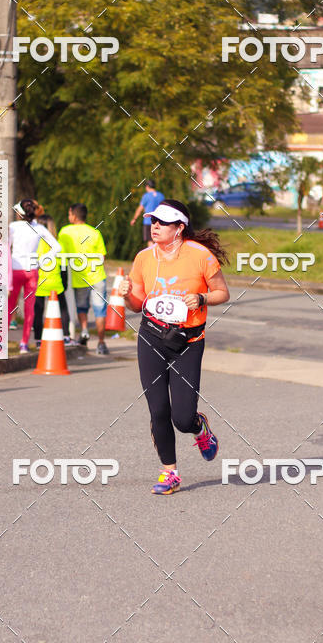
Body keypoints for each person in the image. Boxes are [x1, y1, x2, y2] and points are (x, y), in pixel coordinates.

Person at [119, 199, 230, 495]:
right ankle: (169, 473)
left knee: (181, 417)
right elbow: (136, 306)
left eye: (163, 222)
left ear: (179, 228)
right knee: (158, 411)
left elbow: (222, 292)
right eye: (153, 221)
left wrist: (203, 298)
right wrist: (127, 294)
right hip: (151, 338)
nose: (155, 226)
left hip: (188, 342)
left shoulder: (200, 256)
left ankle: (199, 427)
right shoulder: (144, 258)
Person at [8, 200, 61, 353]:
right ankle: (24, 343)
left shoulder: (13, 227)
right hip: (32, 271)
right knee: (29, 308)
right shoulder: (40, 228)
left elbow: (6, 245)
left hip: (16, 269)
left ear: (20, 213)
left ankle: (0, 342)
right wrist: (42, 260)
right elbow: (57, 247)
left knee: (10, 306)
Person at [58, 203, 109, 354]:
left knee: (82, 308)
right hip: (98, 276)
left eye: (69, 214)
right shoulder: (94, 232)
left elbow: (61, 256)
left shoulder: (65, 232)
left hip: (79, 278)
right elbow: (102, 256)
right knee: (100, 310)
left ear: (73, 215)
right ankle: (101, 342)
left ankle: (85, 331)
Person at [33, 214, 72, 348]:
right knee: (62, 310)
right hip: (56, 282)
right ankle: (66, 336)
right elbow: (63, 266)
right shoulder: (59, 243)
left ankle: (38, 339)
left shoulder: (36, 244)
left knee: (38, 311)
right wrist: (65, 283)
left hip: (40, 282)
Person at [130, 179, 165, 246]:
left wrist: (134, 219)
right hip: (159, 222)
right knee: (158, 240)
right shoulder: (161, 195)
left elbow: (140, 208)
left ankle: (152, 256)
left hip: (148, 221)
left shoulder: (146, 196)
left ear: (147, 187)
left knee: (150, 240)